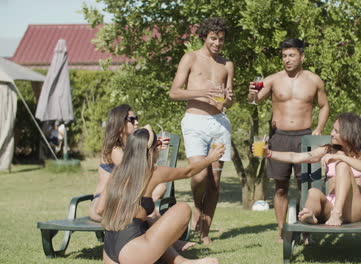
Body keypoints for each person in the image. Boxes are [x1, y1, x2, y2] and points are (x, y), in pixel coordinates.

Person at [98, 125, 223, 264]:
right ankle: (181, 259)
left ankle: (181, 261)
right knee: (182, 209)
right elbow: (188, 172)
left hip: (109, 248)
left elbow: (100, 209)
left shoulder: (118, 172)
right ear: (151, 151)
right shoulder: (152, 172)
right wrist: (210, 158)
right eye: (157, 145)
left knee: (147, 222)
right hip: (132, 251)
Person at [247, 38, 330, 241]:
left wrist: (319, 128)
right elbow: (255, 101)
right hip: (280, 137)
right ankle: (283, 230)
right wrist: (251, 95)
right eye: (284, 56)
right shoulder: (273, 79)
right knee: (281, 187)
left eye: (291, 55)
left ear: (302, 56)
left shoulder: (314, 80)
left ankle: (306, 230)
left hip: (305, 137)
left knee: (306, 186)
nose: (287, 60)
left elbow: (325, 106)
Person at [169, 17, 234, 245]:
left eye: (221, 39)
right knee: (199, 174)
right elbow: (174, 92)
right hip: (195, 122)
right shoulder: (191, 58)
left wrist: (228, 100)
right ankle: (197, 209)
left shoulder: (227, 65)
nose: (218, 43)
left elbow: (227, 102)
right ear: (204, 37)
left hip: (219, 123)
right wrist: (200, 93)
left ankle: (204, 232)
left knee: (215, 179)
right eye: (213, 38)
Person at [256, 112, 361, 226]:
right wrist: (269, 153)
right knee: (313, 192)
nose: (331, 133)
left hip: (352, 209)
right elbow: (296, 157)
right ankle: (310, 214)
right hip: (330, 206)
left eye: (336, 131)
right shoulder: (329, 150)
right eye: (333, 129)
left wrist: (339, 157)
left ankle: (337, 213)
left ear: (349, 134)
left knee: (342, 165)